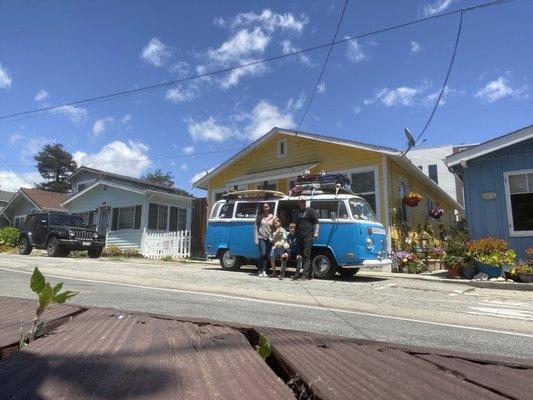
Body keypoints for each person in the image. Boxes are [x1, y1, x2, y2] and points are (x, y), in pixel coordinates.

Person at [294, 196, 319, 280]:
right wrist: (294, 233)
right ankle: (299, 274)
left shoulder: (310, 210)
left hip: (308, 236)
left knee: (306, 255)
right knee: (299, 256)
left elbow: (316, 222)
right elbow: (297, 225)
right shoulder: (298, 212)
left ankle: (304, 275)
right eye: (300, 201)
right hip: (299, 236)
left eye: (303, 201)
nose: (302, 203)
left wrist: (316, 233)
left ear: (305, 202)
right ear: (298, 202)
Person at [255, 203, 274, 277]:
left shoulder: (272, 217)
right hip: (261, 237)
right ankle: (259, 270)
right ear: (262, 208)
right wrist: (256, 238)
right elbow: (256, 228)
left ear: (269, 208)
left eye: (267, 207)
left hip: (269, 238)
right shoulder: (259, 217)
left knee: (266, 255)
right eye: (264, 207)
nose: (266, 208)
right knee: (263, 254)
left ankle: (264, 271)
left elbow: (273, 227)